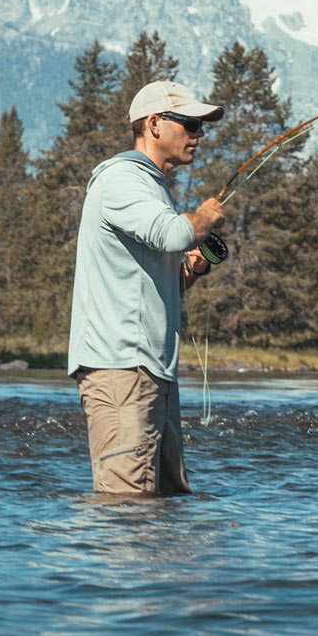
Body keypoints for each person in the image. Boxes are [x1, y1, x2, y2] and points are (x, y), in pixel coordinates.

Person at [67, 79, 226, 497]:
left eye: (200, 126)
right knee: (128, 504)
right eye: (190, 124)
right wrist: (205, 218)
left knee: (168, 499)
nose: (199, 134)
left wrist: (198, 264)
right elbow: (173, 234)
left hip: (151, 372)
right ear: (154, 124)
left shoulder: (152, 186)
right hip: (122, 370)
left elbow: (160, 279)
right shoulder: (122, 179)